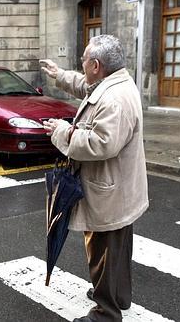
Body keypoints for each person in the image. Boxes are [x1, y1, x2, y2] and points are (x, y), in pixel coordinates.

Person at [40, 34, 149, 322]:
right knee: (117, 251)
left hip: (109, 192)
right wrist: (60, 75)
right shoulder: (113, 83)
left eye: (85, 60)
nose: (82, 64)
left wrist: (63, 131)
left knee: (103, 252)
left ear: (97, 65)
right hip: (117, 189)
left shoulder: (114, 99)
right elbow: (87, 86)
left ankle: (106, 313)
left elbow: (102, 143)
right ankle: (119, 296)